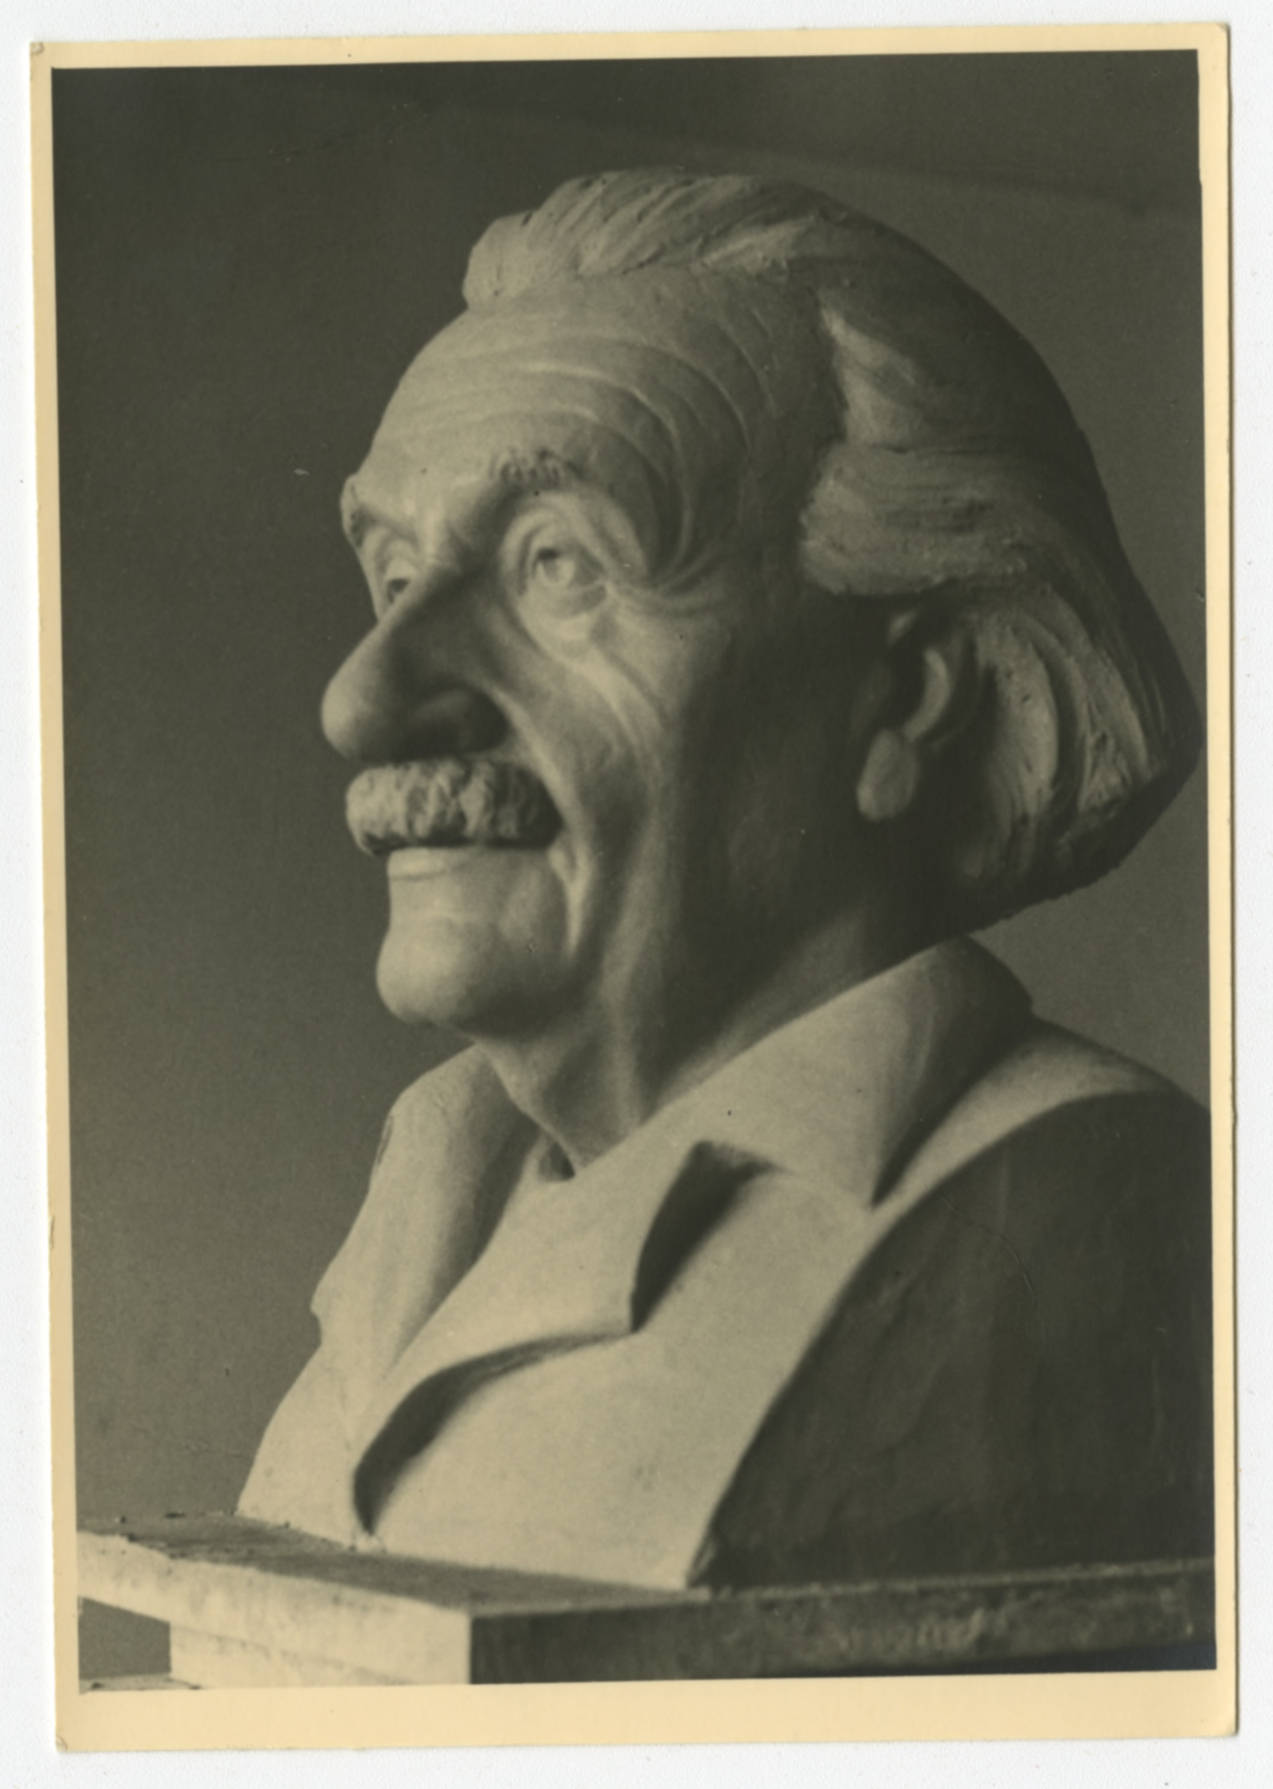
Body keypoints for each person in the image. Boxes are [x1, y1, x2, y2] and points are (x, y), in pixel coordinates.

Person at [239, 169, 1212, 1591]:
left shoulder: (1082, 1224)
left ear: (905, 698)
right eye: (395, 580)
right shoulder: (434, 1179)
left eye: (560, 566)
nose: (365, 699)